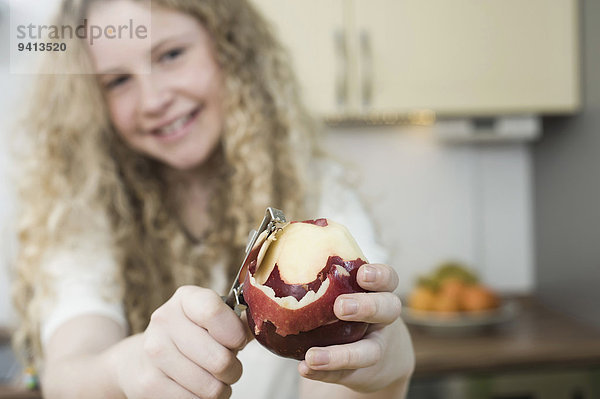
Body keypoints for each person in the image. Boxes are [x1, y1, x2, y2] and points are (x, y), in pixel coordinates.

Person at [12, 0, 415, 398]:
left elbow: (336, 379)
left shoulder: (316, 190)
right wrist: (124, 367)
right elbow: (68, 372)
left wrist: (379, 375)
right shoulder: (85, 208)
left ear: (230, 48)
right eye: (117, 81)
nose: (154, 100)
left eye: (170, 55)